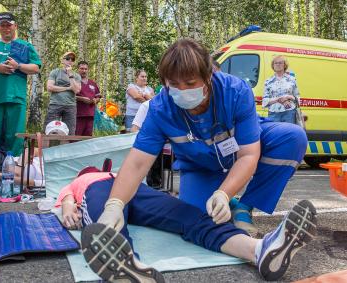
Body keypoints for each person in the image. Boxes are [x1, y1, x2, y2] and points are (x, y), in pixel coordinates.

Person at [95, 39, 308, 237]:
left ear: (208, 77)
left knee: (292, 137)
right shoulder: (159, 108)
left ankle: (243, 206)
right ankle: (226, 200)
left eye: (189, 83)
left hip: (238, 152)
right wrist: (114, 204)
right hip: (199, 165)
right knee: (197, 218)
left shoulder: (235, 91)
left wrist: (223, 193)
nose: (181, 90)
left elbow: (249, 154)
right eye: (174, 84)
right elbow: (137, 163)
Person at [55, 171, 316, 282]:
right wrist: (69, 208)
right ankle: (126, 266)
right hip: (107, 190)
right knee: (110, 219)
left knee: (188, 214)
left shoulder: (112, 173)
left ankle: (260, 250)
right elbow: (67, 198)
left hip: (133, 186)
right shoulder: (83, 180)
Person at [0, 12, 41, 156]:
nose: (6, 28)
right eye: (2, 25)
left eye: (9, 25)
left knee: (15, 136)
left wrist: (18, 66)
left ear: (15, 26)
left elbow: (36, 67)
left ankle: (14, 166)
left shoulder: (25, 46)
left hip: (16, 97)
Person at [44, 51, 82, 135]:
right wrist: (68, 88)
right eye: (68, 58)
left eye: (72, 59)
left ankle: (67, 148)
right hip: (55, 104)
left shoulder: (76, 76)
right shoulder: (55, 72)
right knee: (50, 130)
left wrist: (70, 74)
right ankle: (47, 148)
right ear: (63, 60)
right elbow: (49, 87)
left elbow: (76, 90)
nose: (70, 61)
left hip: (70, 106)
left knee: (70, 132)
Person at [262, 56, 300, 124]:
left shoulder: (292, 79)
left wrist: (288, 97)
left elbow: (297, 97)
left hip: (289, 112)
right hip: (274, 114)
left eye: (280, 63)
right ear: (273, 65)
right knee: (274, 134)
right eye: (275, 63)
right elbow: (265, 101)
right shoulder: (268, 81)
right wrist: (279, 99)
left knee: (288, 133)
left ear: (284, 65)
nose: (278, 64)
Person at [75, 61, 101, 136]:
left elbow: (98, 96)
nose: (84, 71)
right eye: (82, 69)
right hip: (78, 115)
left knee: (87, 138)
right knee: (76, 137)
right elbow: (69, 96)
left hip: (90, 115)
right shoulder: (74, 81)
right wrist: (82, 99)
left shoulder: (92, 83)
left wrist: (95, 100)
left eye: (85, 69)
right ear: (78, 69)